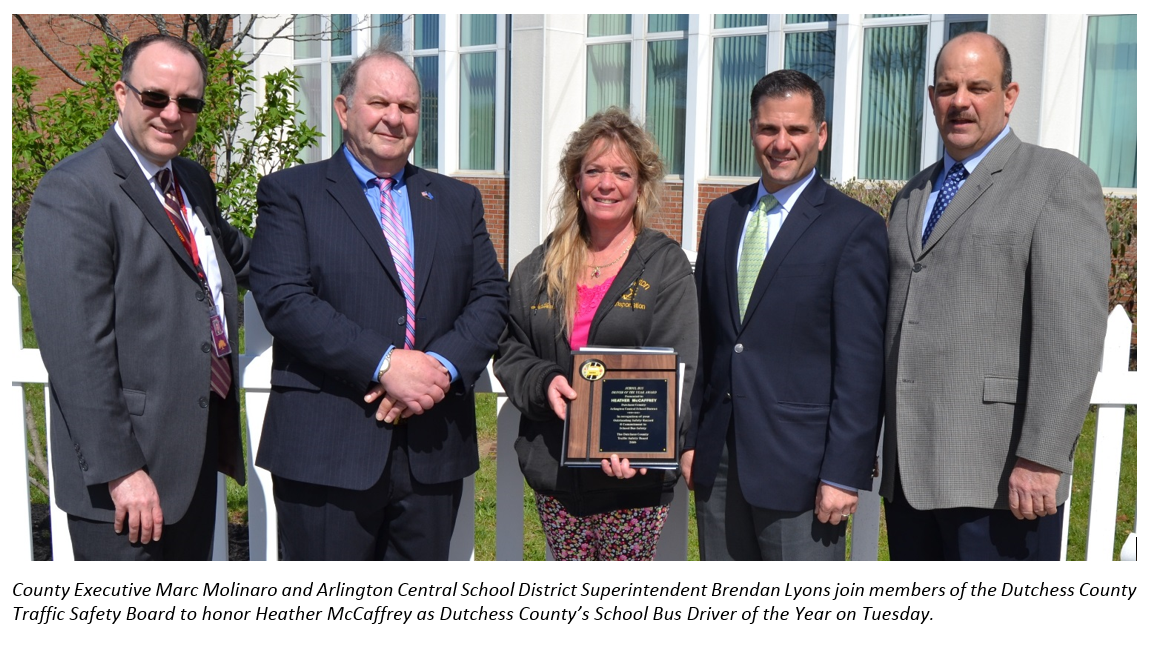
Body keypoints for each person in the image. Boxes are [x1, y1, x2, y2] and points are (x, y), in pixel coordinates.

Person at [249, 47, 508, 561]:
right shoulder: (292, 193)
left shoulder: (457, 200)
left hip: (432, 448)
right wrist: (385, 363)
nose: (394, 117)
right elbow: (284, 299)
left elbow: (490, 297)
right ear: (345, 110)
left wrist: (437, 369)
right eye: (379, 103)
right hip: (327, 449)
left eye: (408, 107)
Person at [881, 32, 1110, 561]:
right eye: (947, 87)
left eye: (977, 87)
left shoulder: (1057, 180)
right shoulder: (913, 194)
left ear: (1009, 96)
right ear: (932, 96)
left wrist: (1042, 457)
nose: (960, 100)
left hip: (1002, 478)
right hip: (910, 475)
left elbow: (1071, 334)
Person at [24, 35, 249, 560]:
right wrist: (123, 472)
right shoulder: (75, 190)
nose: (173, 113)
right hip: (125, 486)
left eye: (188, 102)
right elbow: (77, 353)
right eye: (156, 97)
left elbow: (237, 257)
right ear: (122, 94)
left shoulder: (190, 179)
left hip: (189, 458)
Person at [685, 70, 888, 561]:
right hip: (719, 463)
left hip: (803, 471)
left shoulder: (853, 228)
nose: (781, 143)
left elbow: (861, 367)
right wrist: (693, 440)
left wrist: (843, 473)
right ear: (752, 131)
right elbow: (711, 340)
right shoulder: (721, 215)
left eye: (796, 130)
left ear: (821, 134)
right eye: (768, 129)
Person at [495, 107, 698, 560]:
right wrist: (543, 381)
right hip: (557, 472)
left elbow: (679, 362)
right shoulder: (539, 266)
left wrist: (636, 441)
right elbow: (511, 347)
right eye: (594, 171)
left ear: (640, 186)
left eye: (622, 172)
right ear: (576, 181)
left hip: (633, 481)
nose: (607, 184)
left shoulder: (665, 267)